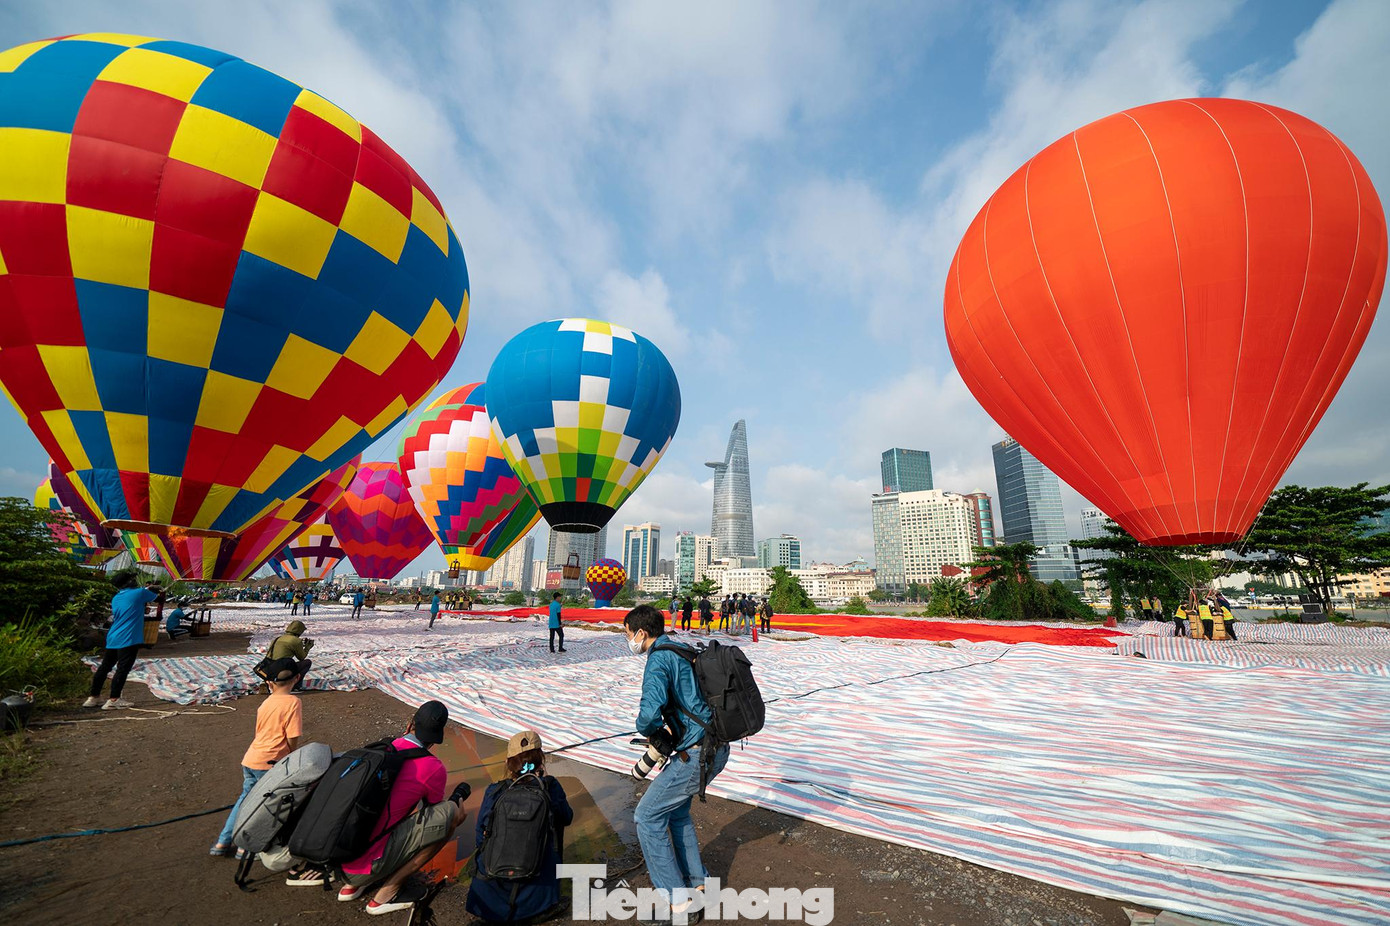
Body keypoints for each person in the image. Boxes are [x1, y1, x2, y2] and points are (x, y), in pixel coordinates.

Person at [293, 701, 470, 916]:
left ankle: (353, 885)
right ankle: (387, 893)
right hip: (362, 866)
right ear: (436, 738)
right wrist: (456, 807)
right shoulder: (433, 767)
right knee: (449, 815)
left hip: (334, 855)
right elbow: (433, 809)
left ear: (410, 724)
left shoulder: (379, 749)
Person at [623, 605, 730, 922]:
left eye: (628, 634)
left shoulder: (658, 659)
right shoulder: (681, 648)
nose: (628, 641)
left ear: (641, 633)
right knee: (678, 814)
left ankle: (679, 904)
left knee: (646, 816)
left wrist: (650, 731)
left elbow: (648, 712)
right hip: (715, 746)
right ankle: (700, 885)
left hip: (696, 753)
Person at [466, 729, 574, 922]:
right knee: (554, 822)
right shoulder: (550, 787)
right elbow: (567, 818)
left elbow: (480, 837)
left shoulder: (494, 791)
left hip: (488, 902)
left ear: (509, 763)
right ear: (540, 760)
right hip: (537, 901)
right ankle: (544, 893)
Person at [210, 658, 302, 857]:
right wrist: (291, 755)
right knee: (262, 806)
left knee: (244, 801)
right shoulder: (293, 702)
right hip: (270, 762)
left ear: (269, 683)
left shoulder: (266, 703)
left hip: (252, 758)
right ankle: (245, 846)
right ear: (297, 678)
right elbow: (292, 735)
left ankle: (223, 842)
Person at [83, 574, 162, 710]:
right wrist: (156, 590)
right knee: (123, 669)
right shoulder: (140, 592)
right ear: (128, 582)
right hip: (129, 637)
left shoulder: (116, 597)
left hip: (113, 636)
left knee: (105, 667)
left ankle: (93, 697)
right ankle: (114, 699)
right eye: (132, 579)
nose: (134, 580)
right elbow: (159, 599)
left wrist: (148, 590)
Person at [267, 620, 314, 684]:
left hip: (269, 668)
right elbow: (301, 657)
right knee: (307, 662)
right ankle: (295, 684)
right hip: (281, 670)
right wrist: (307, 648)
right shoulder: (296, 641)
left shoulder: (277, 638)